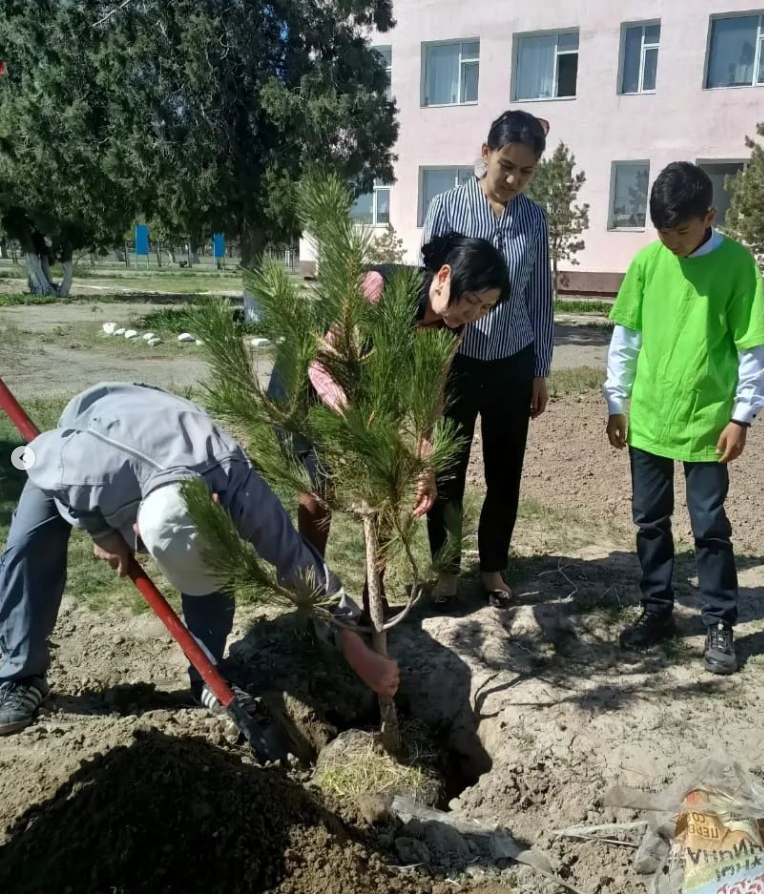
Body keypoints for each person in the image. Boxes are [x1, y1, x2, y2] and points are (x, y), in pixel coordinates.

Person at [0, 383, 398, 736]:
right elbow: (41, 461)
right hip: (91, 430)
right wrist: (102, 533)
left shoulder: (234, 481)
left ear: (215, 505)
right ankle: (21, 676)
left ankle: (207, 674)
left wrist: (352, 641)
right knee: (28, 546)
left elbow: (296, 558)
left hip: (170, 430)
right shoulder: (81, 469)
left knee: (213, 567)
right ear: (137, 529)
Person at [272, 233, 511, 610]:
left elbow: (432, 390)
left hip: (368, 399)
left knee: (388, 483)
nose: (473, 314)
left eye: (485, 308)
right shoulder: (380, 288)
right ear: (445, 275)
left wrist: (424, 457)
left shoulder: (454, 326)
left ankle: (375, 593)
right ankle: (313, 588)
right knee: (321, 488)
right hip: (307, 386)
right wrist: (359, 424)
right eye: (471, 300)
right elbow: (321, 364)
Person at [603, 162, 764, 675]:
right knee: (650, 522)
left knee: (710, 527)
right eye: (662, 231)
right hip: (650, 420)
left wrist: (742, 416)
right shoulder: (649, 262)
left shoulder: (738, 266)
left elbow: (753, 349)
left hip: (708, 423)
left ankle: (719, 621)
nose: (672, 242)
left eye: (681, 231)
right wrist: (616, 402)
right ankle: (657, 611)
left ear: (709, 217)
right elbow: (626, 337)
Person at [422, 110, 554, 609]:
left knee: (505, 470)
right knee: (448, 467)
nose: (515, 179)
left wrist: (540, 367)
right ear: (486, 154)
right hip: (454, 360)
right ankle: (446, 567)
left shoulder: (533, 219)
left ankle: (494, 565)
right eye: (507, 167)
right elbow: (430, 287)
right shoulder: (447, 207)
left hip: (512, 362)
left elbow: (539, 298)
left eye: (527, 171)